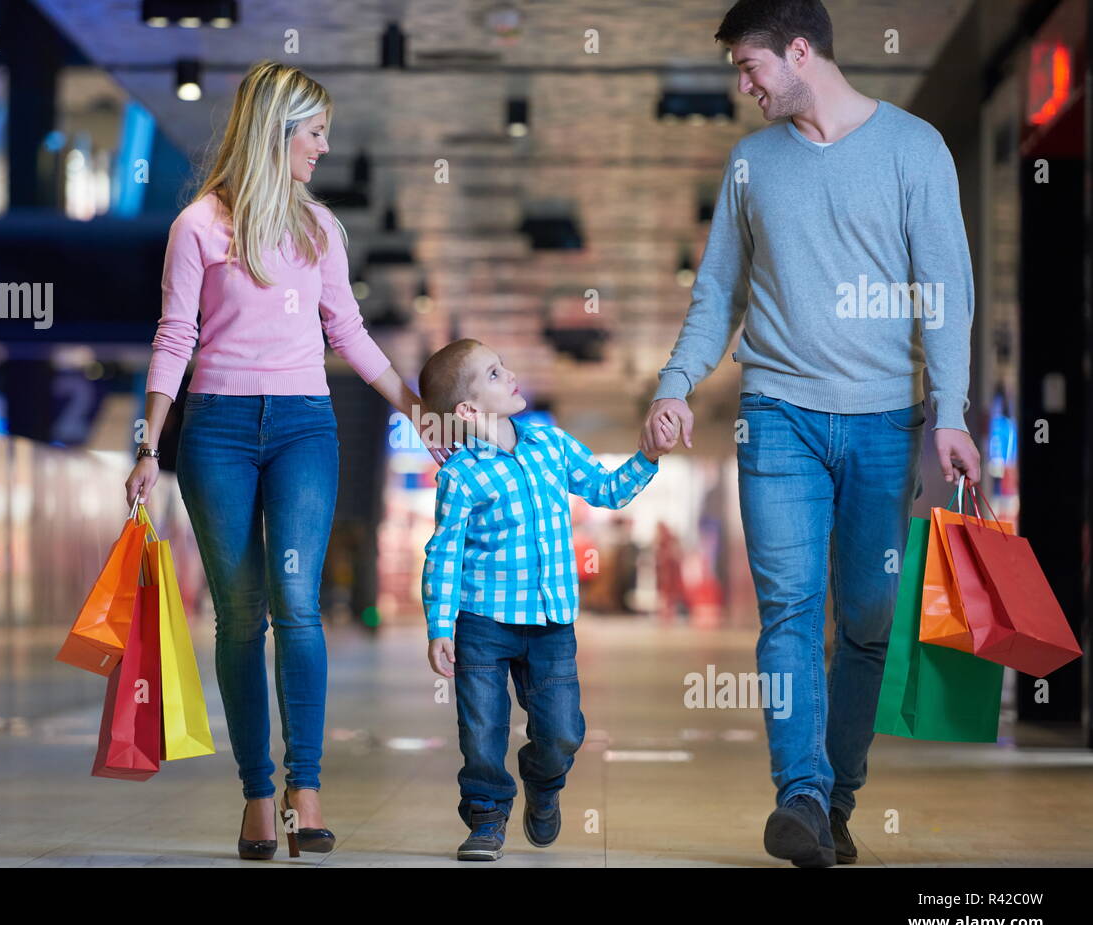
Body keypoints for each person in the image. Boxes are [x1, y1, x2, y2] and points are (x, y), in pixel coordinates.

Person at [640, 0, 982, 868]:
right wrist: (675, 383)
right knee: (789, 609)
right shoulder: (753, 164)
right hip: (777, 417)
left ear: (801, 51)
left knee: (866, 620)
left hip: (883, 421)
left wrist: (951, 412)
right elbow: (717, 292)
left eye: (751, 68)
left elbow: (945, 290)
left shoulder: (913, 149)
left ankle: (836, 795)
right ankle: (797, 792)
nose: (744, 87)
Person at [125, 60, 446, 861]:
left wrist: (414, 406)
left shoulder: (320, 230)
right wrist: (145, 442)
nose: (324, 146)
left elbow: (351, 335)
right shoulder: (198, 226)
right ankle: (257, 793)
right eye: (314, 132)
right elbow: (175, 336)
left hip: (306, 426)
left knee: (297, 602)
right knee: (241, 613)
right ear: (277, 132)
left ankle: (308, 787)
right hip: (216, 434)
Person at [420, 339, 679, 861]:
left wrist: (647, 456)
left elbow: (605, 489)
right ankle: (487, 816)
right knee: (481, 731)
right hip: (482, 623)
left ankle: (544, 779)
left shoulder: (550, 444)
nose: (511, 373)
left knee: (562, 732)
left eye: (503, 364)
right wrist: (439, 627)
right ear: (469, 410)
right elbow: (443, 553)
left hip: (551, 623)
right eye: (494, 373)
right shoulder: (460, 475)